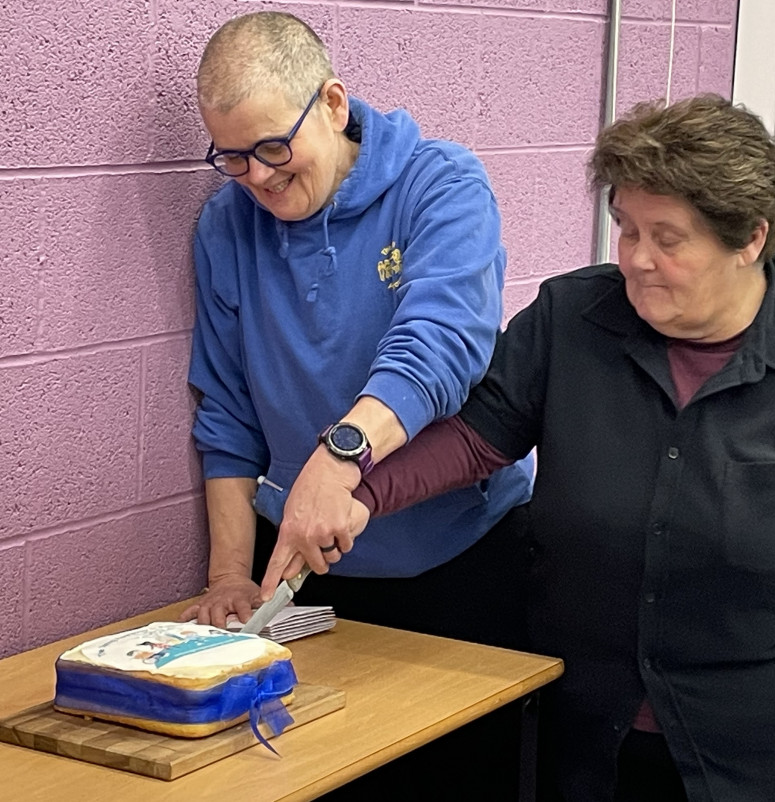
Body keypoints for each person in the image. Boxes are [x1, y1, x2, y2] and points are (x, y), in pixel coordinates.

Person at [262, 94, 775, 802]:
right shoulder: (570, 319)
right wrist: (359, 494)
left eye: (667, 239)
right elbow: (476, 438)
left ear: (750, 240)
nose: (637, 260)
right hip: (583, 730)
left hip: (752, 750)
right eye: (625, 229)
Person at [179, 11, 533, 799]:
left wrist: (340, 457)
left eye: (274, 147)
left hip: (464, 558)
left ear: (333, 104)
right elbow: (228, 412)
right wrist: (231, 573)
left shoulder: (441, 183)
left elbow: (441, 346)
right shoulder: (225, 227)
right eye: (231, 157)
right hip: (313, 575)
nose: (259, 178)